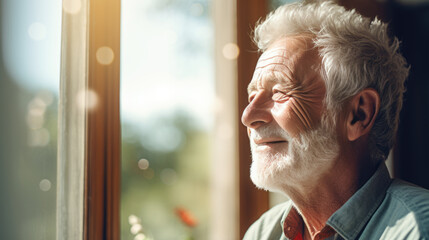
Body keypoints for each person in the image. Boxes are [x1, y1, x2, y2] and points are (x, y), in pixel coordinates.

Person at [241, 1, 429, 240]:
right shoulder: (262, 233)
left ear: (358, 114)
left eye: (280, 92)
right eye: (252, 96)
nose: (248, 116)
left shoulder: (418, 229)